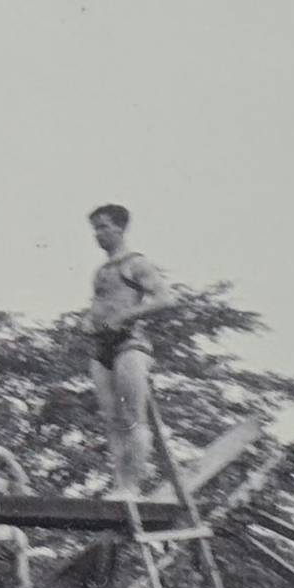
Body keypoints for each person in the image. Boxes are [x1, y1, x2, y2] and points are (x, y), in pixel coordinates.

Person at [82, 204, 188, 496]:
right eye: (95, 228)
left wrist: (125, 316)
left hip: (130, 343)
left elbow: (165, 299)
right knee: (113, 420)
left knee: (132, 417)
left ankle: (131, 485)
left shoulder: (135, 263)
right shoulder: (102, 270)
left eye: (103, 226)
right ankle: (120, 484)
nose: (98, 234)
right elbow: (102, 303)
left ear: (119, 227)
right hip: (102, 346)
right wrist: (88, 320)